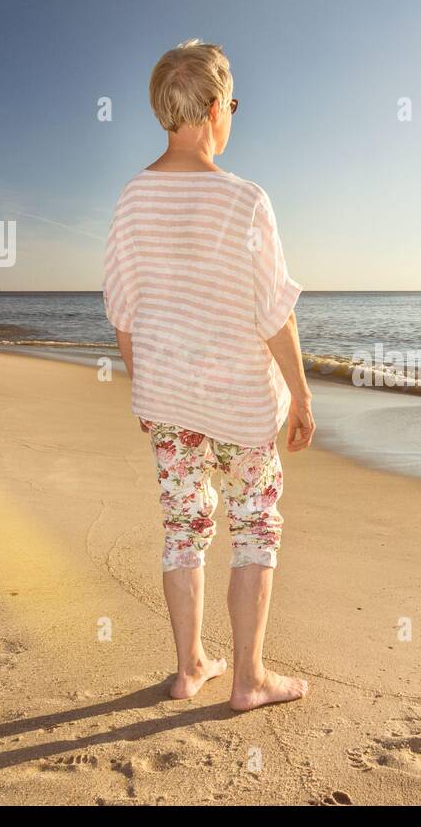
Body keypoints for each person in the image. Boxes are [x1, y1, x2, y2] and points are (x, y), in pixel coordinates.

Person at [103, 39, 314, 711]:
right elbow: (273, 311)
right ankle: (249, 678)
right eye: (234, 105)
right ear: (218, 107)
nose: (233, 116)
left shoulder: (132, 199)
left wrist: (145, 388)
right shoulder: (246, 200)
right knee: (255, 526)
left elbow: (123, 310)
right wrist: (303, 396)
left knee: (183, 529)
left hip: (169, 403)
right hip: (243, 407)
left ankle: (190, 667)